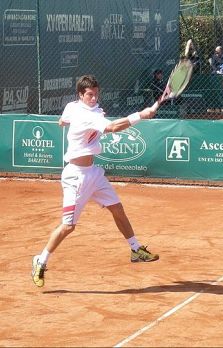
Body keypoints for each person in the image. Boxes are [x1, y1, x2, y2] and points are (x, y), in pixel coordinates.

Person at [31, 75, 159, 287]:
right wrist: (141, 115)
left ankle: (136, 249)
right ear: (81, 95)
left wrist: (64, 121)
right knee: (68, 226)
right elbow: (113, 128)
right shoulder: (85, 114)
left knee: (117, 209)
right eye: (89, 95)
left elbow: (64, 118)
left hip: (93, 173)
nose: (94, 98)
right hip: (75, 177)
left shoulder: (75, 107)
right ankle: (40, 260)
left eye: (96, 94)